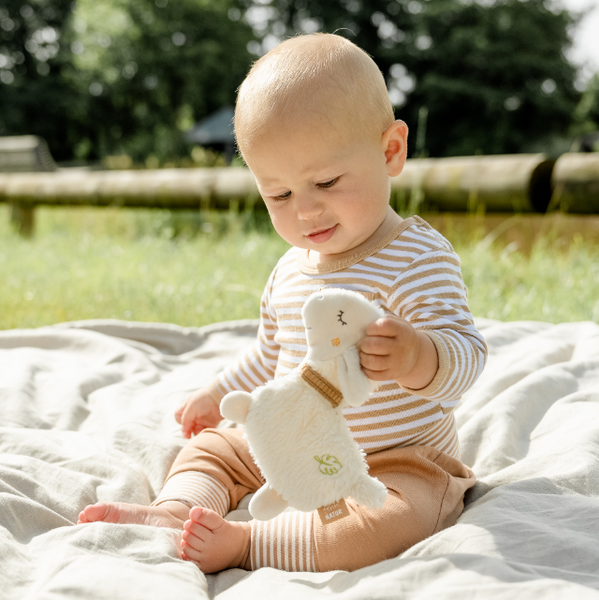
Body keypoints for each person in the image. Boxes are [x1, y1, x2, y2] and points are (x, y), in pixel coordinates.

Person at [78, 33, 487, 574]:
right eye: (279, 194)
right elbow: (271, 357)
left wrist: (419, 356)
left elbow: (467, 356)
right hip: (290, 434)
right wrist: (218, 390)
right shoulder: (292, 267)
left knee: (395, 517)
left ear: (390, 151)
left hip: (394, 458)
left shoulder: (416, 258)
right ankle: (179, 511)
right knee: (213, 449)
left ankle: (249, 543)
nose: (306, 212)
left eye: (326, 181)